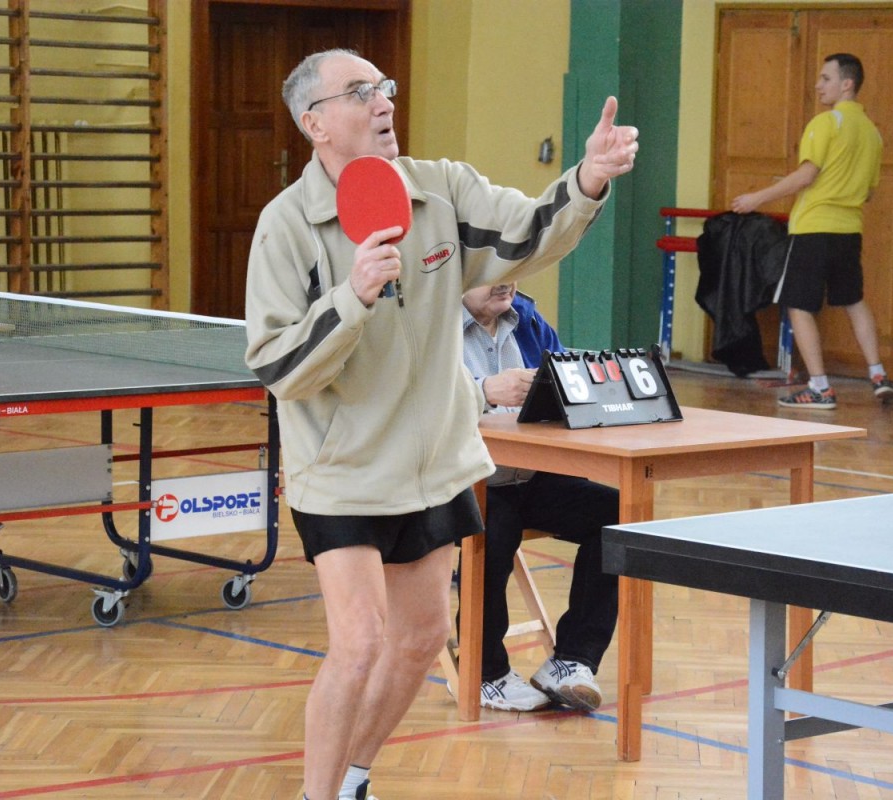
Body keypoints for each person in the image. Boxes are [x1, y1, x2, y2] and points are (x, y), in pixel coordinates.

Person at [243, 49, 638, 800]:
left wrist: (587, 178)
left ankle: (355, 776)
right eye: (360, 92)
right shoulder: (286, 226)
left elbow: (527, 234)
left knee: (422, 638)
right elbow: (277, 365)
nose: (384, 101)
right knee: (360, 643)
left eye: (384, 87)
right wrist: (353, 298)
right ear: (314, 123)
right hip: (344, 471)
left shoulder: (441, 190)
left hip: (433, 465)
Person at [460, 283, 620, 712]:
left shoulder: (527, 317)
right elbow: (417, 400)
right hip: (460, 481)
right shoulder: (431, 322)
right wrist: (483, 390)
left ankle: (572, 660)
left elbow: (570, 384)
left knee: (617, 515)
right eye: (495, 272)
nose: (507, 282)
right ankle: (484, 673)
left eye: (516, 270)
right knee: (495, 527)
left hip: (528, 476)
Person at [731, 53, 893, 410]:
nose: (818, 85)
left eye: (826, 78)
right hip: (849, 231)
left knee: (798, 305)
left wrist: (757, 198)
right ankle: (878, 375)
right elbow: (868, 191)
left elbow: (806, 175)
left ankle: (820, 387)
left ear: (846, 84)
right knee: (853, 300)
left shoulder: (826, 123)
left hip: (813, 229)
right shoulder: (873, 133)